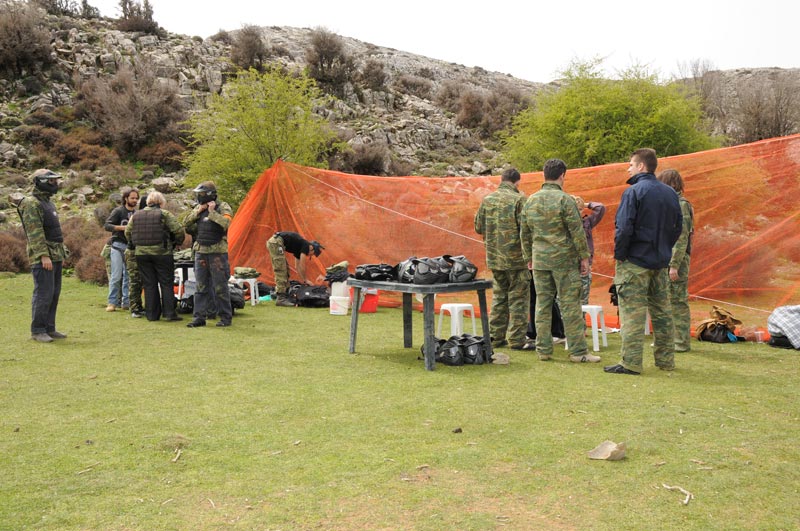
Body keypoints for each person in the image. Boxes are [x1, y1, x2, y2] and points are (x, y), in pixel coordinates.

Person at [604, 149, 682, 375]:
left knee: (632, 313)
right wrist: (664, 248)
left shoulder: (633, 192)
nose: (628, 168)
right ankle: (665, 360)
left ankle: (631, 362)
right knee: (662, 312)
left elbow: (624, 228)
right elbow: (677, 227)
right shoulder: (670, 193)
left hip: (635, 262)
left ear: (641, 166)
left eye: (631, 164)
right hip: (659, 262)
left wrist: (621, 255)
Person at [520, 159, 599, 363]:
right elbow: (577, 232)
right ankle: (578, 352)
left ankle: (543, 350)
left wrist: (529, 257)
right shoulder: (565, 200)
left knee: (542, 305)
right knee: (570, 305)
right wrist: (584, 257)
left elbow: (524, 233)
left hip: (540, 261)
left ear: (544, 174)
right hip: (564, 261)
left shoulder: (531, 201)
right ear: (562, 175)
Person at [474, 168, 531, 350]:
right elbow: (527, 229)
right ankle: (517, 339)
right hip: (517, 260)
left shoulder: (488, 200)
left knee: (499, 297)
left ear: (502, 179)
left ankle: (495, 337)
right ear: (517, 181)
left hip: (494, 258)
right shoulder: (519, 200)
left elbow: (478, 227)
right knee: (518, 299)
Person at [18, 169, 69, 343]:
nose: (55, 184)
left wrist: (60, 253)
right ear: (40, 181)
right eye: (51, 181)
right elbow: (35, 233)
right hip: (44, 257)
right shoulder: (31, 203)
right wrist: (43, 256)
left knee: (54, 293)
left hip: (55, 254)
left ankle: (49, 328)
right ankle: (38, 330)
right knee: (43, 293)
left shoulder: (48, 203)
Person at [125, 191, 185, 322]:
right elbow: (179, 230)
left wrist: (135, 244)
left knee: (149, 284)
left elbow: (128, 232)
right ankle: (169, 313)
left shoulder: (136, 215)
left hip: (141, 254)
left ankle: (152, 315)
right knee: (166, 283)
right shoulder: (164, 214)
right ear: (161, 202)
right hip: (162, 253)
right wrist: (176, 242)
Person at [184, 181, 234, 328]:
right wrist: (198, 211)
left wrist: (212, 212)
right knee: (200, 287)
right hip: (201, 251)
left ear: (210, 194)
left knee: (220, 287)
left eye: (202, 193)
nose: (199, 196)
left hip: (217, 252)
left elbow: (226, 223)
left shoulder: (223, 206)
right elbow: (186, 224)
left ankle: (225, 317)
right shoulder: (199, 208)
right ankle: (199, 317)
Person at [657, 169, 694, 352]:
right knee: (666, 300)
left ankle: (681, 341)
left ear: (671, 184)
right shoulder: (669, 204)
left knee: (678, 301)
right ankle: (670, 339)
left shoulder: (681, 205)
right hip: (665, 258)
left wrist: (674, 265)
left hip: (677, 261)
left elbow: (682, 237)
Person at [103, 187, 139, 312]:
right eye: (132, 198)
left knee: (129, 277)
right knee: (116, 275)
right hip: (117, 246)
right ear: (126, 198)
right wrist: (123, 228)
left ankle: (126, 302)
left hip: (131, 247)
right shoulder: (118, 211)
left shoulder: (137, 213)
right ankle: (112, 302)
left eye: (136, 198)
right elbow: (107, 225)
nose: (135, 200)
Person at [266, 231, 324, 307]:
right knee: (281, 269)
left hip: (276, 242)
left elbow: (297, 266)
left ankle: (285, 295)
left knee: (285, 269)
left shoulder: (300, 248)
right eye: (312, 254)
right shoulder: (306, 245)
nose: (309, 256)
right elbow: (302, 265)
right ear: (312, 248)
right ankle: (281, 299)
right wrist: (306, 280)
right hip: (276, 242)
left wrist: (303, 280)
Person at [572, 195, 606, 305]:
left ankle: (582, 316)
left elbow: (600, 208)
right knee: (564, 300)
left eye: (580, 209)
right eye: (575, 208)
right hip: (568, 266)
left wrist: (586, 204)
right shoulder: (562, 223)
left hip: (584, 267)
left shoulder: (587, 222)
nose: (578, 212)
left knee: (583, 298)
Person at [126, 193, 148, 318]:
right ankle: (135, 307)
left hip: (136, 249)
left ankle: (138, 307)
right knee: (135, 280)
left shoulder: (136, 216)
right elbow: (128, 233)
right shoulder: (137, 216)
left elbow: (127, 233)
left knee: (138, 281)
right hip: (134, 251)